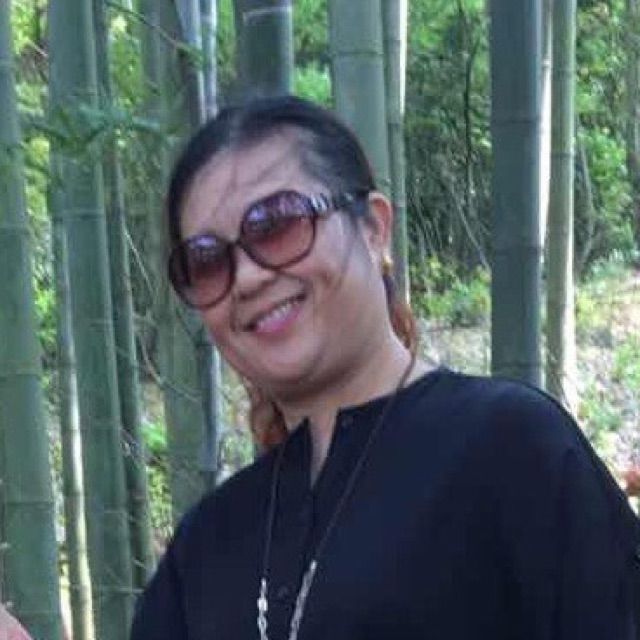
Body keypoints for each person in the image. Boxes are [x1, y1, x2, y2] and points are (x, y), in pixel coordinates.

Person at [131, 95, 640, 640]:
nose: (249, 277)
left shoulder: (509, 446)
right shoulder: (206, 544)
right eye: (207, 261)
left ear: (373, 229)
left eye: (276, 225)